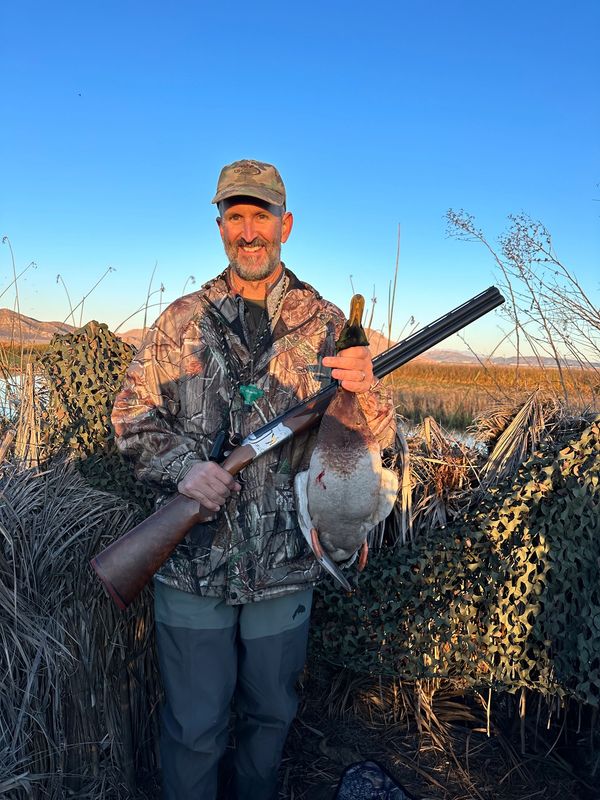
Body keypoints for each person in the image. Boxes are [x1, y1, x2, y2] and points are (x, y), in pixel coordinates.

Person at [112, 159, 396, 800]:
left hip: (287, 570)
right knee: (194, 728)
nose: (248, 231)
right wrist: (186, 469)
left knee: (270, 718)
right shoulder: (181, 320)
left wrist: (366, 392)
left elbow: (374, 443)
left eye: (260, 216)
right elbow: (130, 414)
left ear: (285, 225)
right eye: (235, 216)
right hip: (189, 567)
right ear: (219, 227)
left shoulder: (329, 326)